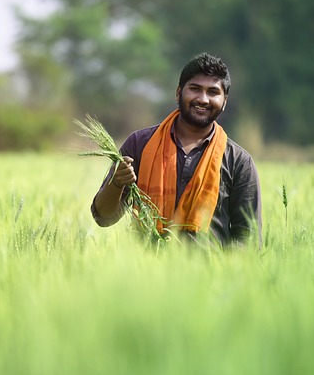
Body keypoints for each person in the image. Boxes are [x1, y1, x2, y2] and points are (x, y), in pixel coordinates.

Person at [91, 52, 262, 247]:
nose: (203, 99)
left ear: (224, 102)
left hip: (210, 275)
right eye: (195, 89)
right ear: (178, 92)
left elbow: (248, 239)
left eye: (213, 92)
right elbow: (104, 217)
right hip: (144, 273)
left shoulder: (239, 161)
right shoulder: (139, 144)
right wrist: (116, 184)